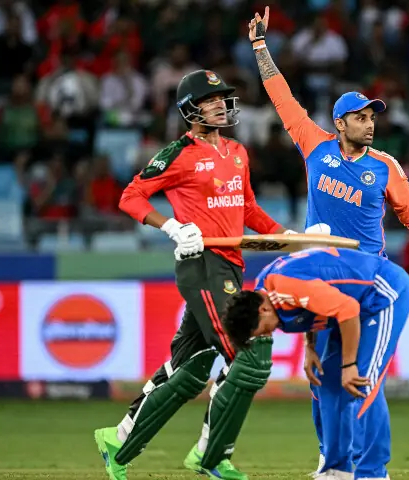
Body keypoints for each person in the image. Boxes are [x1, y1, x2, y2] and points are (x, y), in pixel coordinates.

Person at [248, 7, 409, 477]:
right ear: (339, 123)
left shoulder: (385, 165)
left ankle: (371, 468)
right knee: (322, 380)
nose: (369, 124)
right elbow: (281, 96)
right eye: (360, 118)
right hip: (320, 275)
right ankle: (332, 460)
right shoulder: (315, 145)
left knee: (361, 379)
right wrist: (260, 47)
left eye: (372, 117)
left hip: (365, 280)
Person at [93, 68, 294, 480]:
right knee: (251, 354)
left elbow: (247, 209)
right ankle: (210, 455)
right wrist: (171, 227)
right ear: (190, 109)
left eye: (223, 98)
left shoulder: (237, 152)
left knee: (190, 369)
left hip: (229, 267)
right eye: (210, 99)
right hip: (202, 265)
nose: (221, 104)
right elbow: (131, 196)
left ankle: (118, 441)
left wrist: (283, 234)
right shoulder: (178, 153)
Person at [222, 247, 409, 480]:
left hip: (381, 293)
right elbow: (312, 305)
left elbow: (348, 309)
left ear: (263, 309)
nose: (267, 335)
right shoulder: (267, 292)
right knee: (326, 380)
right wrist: (310, 346)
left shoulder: (286, 286)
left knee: (362, 381)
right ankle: (338, 469)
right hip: (349, 305)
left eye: (263, 330)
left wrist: (349, 365)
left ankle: (373, 473)